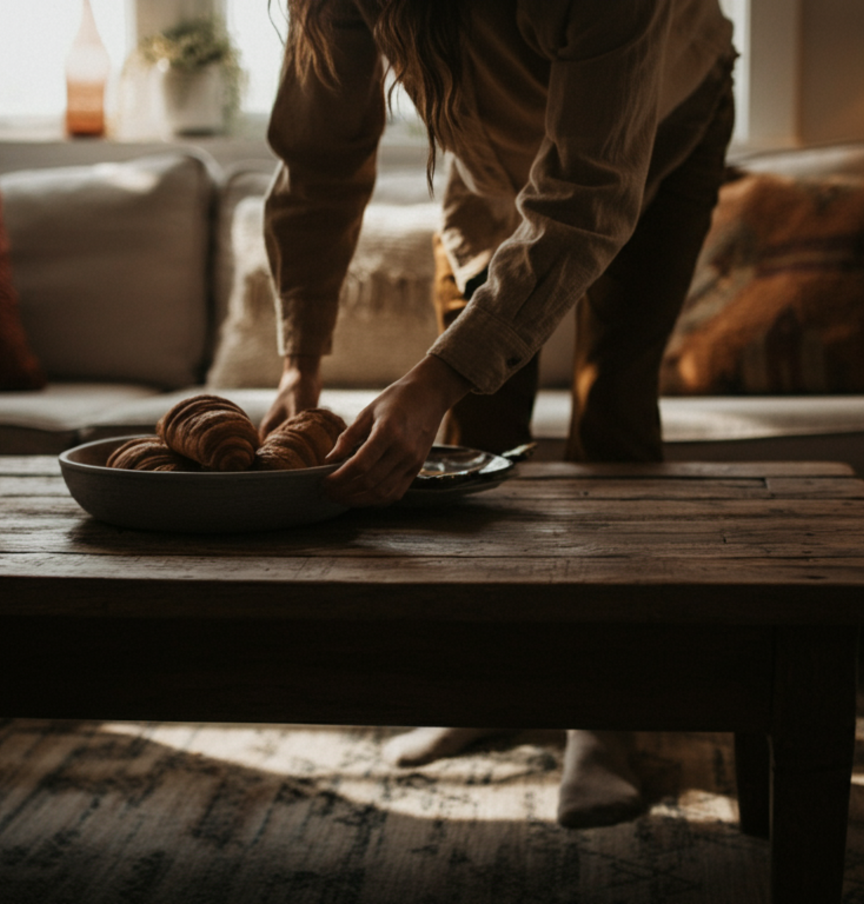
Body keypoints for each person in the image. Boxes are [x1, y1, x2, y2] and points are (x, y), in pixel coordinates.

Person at [259, 0, 737, 829]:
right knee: (475, 437)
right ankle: (492, 685)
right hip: (487, 171)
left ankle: (604, 715)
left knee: (613, 414)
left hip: (654, 132)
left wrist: (432, 381)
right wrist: (300, 364)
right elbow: (319, 161)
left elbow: (585, 196)